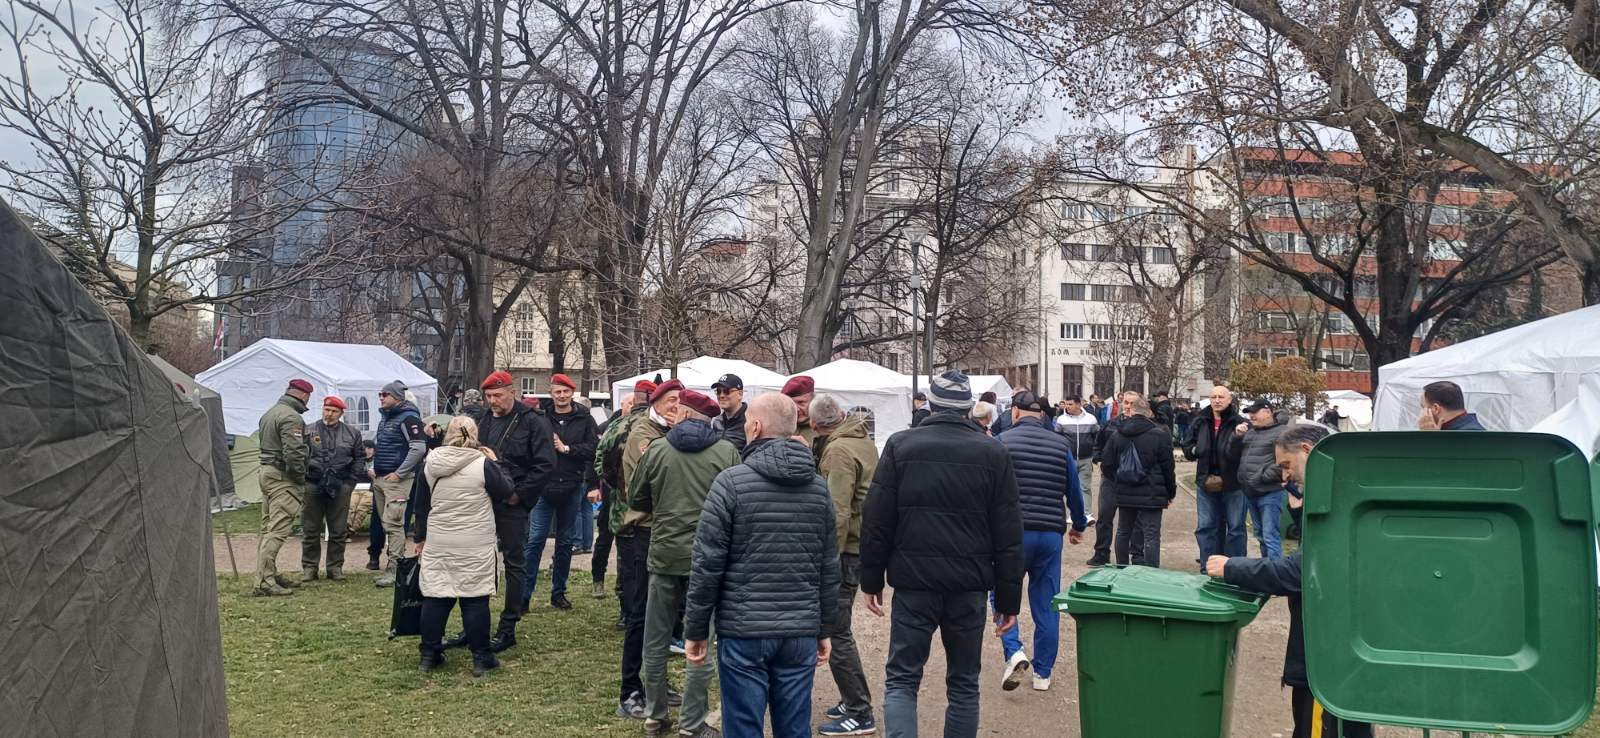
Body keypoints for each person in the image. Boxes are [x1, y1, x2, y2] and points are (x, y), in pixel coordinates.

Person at [860, 370, 1024, 738]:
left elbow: (877, 519)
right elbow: (1009, 533)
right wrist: (1008, 600)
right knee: (964, 681)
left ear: (930, 405)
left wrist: (871, 579)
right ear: (969, 408)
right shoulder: (993, 452)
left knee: (902, 678)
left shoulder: (901, 446)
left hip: (914, 582)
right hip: (968, 583)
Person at [684, 393, 840, 738]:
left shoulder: (730, 483)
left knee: (743, 726)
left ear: (755, 426)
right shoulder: (818, 489)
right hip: (799, 630)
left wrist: (696, 629)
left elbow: (707, 564)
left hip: (744, 631)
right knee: (794, 727)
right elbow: (829, 566)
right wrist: (824, 628)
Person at [1207, 423, 1373, 738]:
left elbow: (1300, 572)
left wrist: (1232, 567)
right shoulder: (1349, 492)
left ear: (1307, 452)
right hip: (1341, 649)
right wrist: (1300, 513)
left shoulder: (1341, 501)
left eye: (1287, 465)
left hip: (1327, 656)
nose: (1285, 477)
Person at [630, 389, 741, 738]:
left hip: (664, 555)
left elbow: (636, 498)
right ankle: (692, 723)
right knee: (702, 639)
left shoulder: (657, 450)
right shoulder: (726, 452)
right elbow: (740, 503)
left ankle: (654, 715)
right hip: (709, 559)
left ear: (685, 415)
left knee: (656, 636)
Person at [453, 370, 556, 653]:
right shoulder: (484, 420)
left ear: (512, 392)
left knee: (514, 564)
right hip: (482, 500)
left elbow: (545, 465)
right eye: (488, 396)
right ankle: (473, 626)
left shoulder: (533, 421)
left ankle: (508, 627)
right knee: (477, 562)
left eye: (498, 395)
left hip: (513, 502)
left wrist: (518, 495)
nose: (493, 401)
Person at [993, 390, 1086, 694]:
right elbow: (1074, 491)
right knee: (1047, 603)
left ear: (1015, 413)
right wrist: (1078, 525)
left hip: (1012, 533)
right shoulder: (1061, 445)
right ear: (1043, 415)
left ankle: (1014, 650)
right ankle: (1043, 673)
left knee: (1002, 591)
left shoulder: (1002, 442)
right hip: (1049, 533)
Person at [415, 416, 514, 676]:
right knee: (475, 599)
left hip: (439, 539)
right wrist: (497, 463)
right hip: (475, 541)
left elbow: (421, 504)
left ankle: (429, 654)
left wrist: (420, 538)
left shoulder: (430, 463)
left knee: (436, 596)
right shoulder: (483, 464)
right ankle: (482, 657)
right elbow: (506, 491)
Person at [810, 394, 880, 736]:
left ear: (815, 424)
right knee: (839, 628)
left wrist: (828, 559)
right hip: (860, 543)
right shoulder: (861, 438)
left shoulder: (838, 450)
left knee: (836, 631)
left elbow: (836, 512)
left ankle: (859, 710)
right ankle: (851, 699)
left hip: (847, 549)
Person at [613, 380, 680, 721]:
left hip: (665, 531)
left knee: (663, 615)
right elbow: (648, 485)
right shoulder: (644, 434)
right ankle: (630, 690)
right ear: (656, 403)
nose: (676, 406)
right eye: (670, 400)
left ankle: (656, 682)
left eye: (680, 400)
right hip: (643, 531)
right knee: (639, 614)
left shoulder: (668, 433)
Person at [596, 382, 655, 718]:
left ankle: (649, 682)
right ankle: (634, 688)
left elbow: (600, 463)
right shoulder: (632, 428)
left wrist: (615, 489)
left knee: (635, 589)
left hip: (626, 516)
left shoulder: (619, 425)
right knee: (642, 602)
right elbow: (603, 462)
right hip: (637, 519)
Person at [523, 373, 598, 611]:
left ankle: (559, 593)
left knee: (565, 543)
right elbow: (529, 449)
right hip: (543, 488)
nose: (562, 396)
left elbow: (593, 449)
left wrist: (566, 448)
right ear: (551, 393)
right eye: (558, 392)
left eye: (566, 391)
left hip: (572, 486)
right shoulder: (541, 418)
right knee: (535, 540)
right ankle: (524, 595)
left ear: (572, 393)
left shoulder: (585, 418)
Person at [253, 379, 313, 597]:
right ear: (304, 395)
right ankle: (264, 581)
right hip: (282, 477)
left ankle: (268, 573)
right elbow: (294, 453)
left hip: (267, 472)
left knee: (268, 528)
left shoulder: (270, 413)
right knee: (278, 530)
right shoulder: (291, 417)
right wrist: (299, 477)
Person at [1100, 397, 1175, 567]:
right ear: (1149, 413)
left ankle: (1122, 567)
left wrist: (1118, 479)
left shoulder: (1118, 434)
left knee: (1123, 531)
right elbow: (1168, 467)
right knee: (1151, 534)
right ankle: (1151, 573)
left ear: (1132, 411)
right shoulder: (1159, 435)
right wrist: (1170, 492)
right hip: (1152, 491)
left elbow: (1107, 464)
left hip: (1125, 489)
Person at [301, 395, 364, 582]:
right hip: (312, 484)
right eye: (327, 410)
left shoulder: (352, 433)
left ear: (341, 413)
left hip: (340, 484)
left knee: (338, 529)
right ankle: (309, 567)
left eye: (334, 411)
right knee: (310, 528)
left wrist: (350, 482)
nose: (329, 414)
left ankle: (335, 567)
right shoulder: (308, 430)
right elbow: (300, 455)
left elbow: (359, 458)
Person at [372, 380, 426, 588]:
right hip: (382, 477)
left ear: (397, 397)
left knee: (394, 523)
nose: (381, 398)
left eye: (385, 394)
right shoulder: (387, 418)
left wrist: (400, 473)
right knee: (387, 523)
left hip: (396, 479)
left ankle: (395, 568)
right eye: (380, 394)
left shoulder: (408, 418)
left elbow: (418, 448)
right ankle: (393, 565)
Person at [1185, 385, 1247, 565]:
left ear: (1229, 400)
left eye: (1221, 397)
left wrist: (1238, 437)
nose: (1217, 400)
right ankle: (1208, 566)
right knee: (1206, 527)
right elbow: (1187, 445)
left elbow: (1245, 452)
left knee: (1235, 527)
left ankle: (1235, 567)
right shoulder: (1200, 421)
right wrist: (1195, 450)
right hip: (1206, 481)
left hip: (1233, 483)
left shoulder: (1239, 422)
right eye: (1213, 397)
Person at [589, 393, 635, 601]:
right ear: (622, 404)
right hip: (611, 490)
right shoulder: (608, 427)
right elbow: (595, 459)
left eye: (635, 403)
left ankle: (621, 584)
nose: (632, 407)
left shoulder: (641, 426)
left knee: (627, 542)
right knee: (605, 538)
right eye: (629, 403)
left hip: (630, 495)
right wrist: (596, 485)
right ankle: (597, 578)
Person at [1086, 391, 1141, 567]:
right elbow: (1098, 444)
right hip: (1110, 478)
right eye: (1126, 402)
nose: (1128, 406)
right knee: (1105, 516)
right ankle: (1101, 552)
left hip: (1134, 480)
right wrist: (1098, 458)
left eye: (1132, 403)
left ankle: (1137, 556)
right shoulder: (1111, 424)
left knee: (1135, 520)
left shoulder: (1145, 427)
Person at [1236, 399, 1292, 559]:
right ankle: (1267, 567)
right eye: (1249, 413)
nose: (1251, 416)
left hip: (1270, 492)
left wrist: (1261, 477)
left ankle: (1276, 570)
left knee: (1270, 536)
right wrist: (1236, 437)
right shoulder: (1250, 432)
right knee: (1260, 535)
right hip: (1250, 492)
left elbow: (1286, 462)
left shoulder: (1282, 432)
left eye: (1255, 412)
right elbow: (1233, 454)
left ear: (1268, 412)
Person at [1054, 395, 1099, 517]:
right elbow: (1057, 438)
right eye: (1066, 404)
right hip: (1068, 459)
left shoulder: (1091, 419)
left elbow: (1097, 436)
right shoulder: (1061, 420)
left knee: (1085, 487)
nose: (1067, 406)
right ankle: (1071, 514)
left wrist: (1094, 452)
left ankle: (1087, 513)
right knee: (1070, 487)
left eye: (1070, 404)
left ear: (1078, 405)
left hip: (1086, 458)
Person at [1419, 381, 1485, 431]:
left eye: (1423, 407)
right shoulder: (1469, 428)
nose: (1421, 413)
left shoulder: (1469, 434)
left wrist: (1430, 438)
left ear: (1435, 408)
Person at [710, 373, 749, 451]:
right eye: (718, 391)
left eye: (726, 391)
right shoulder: (717, 422)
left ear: (740, 394)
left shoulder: (750, 421)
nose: (721, 395)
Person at [783, 375, 817, 449]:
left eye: (801, 402)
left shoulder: (825, 427)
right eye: (791, 403)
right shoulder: (780, 427)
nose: (796, 409)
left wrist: (806, 450)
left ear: (813, 401)